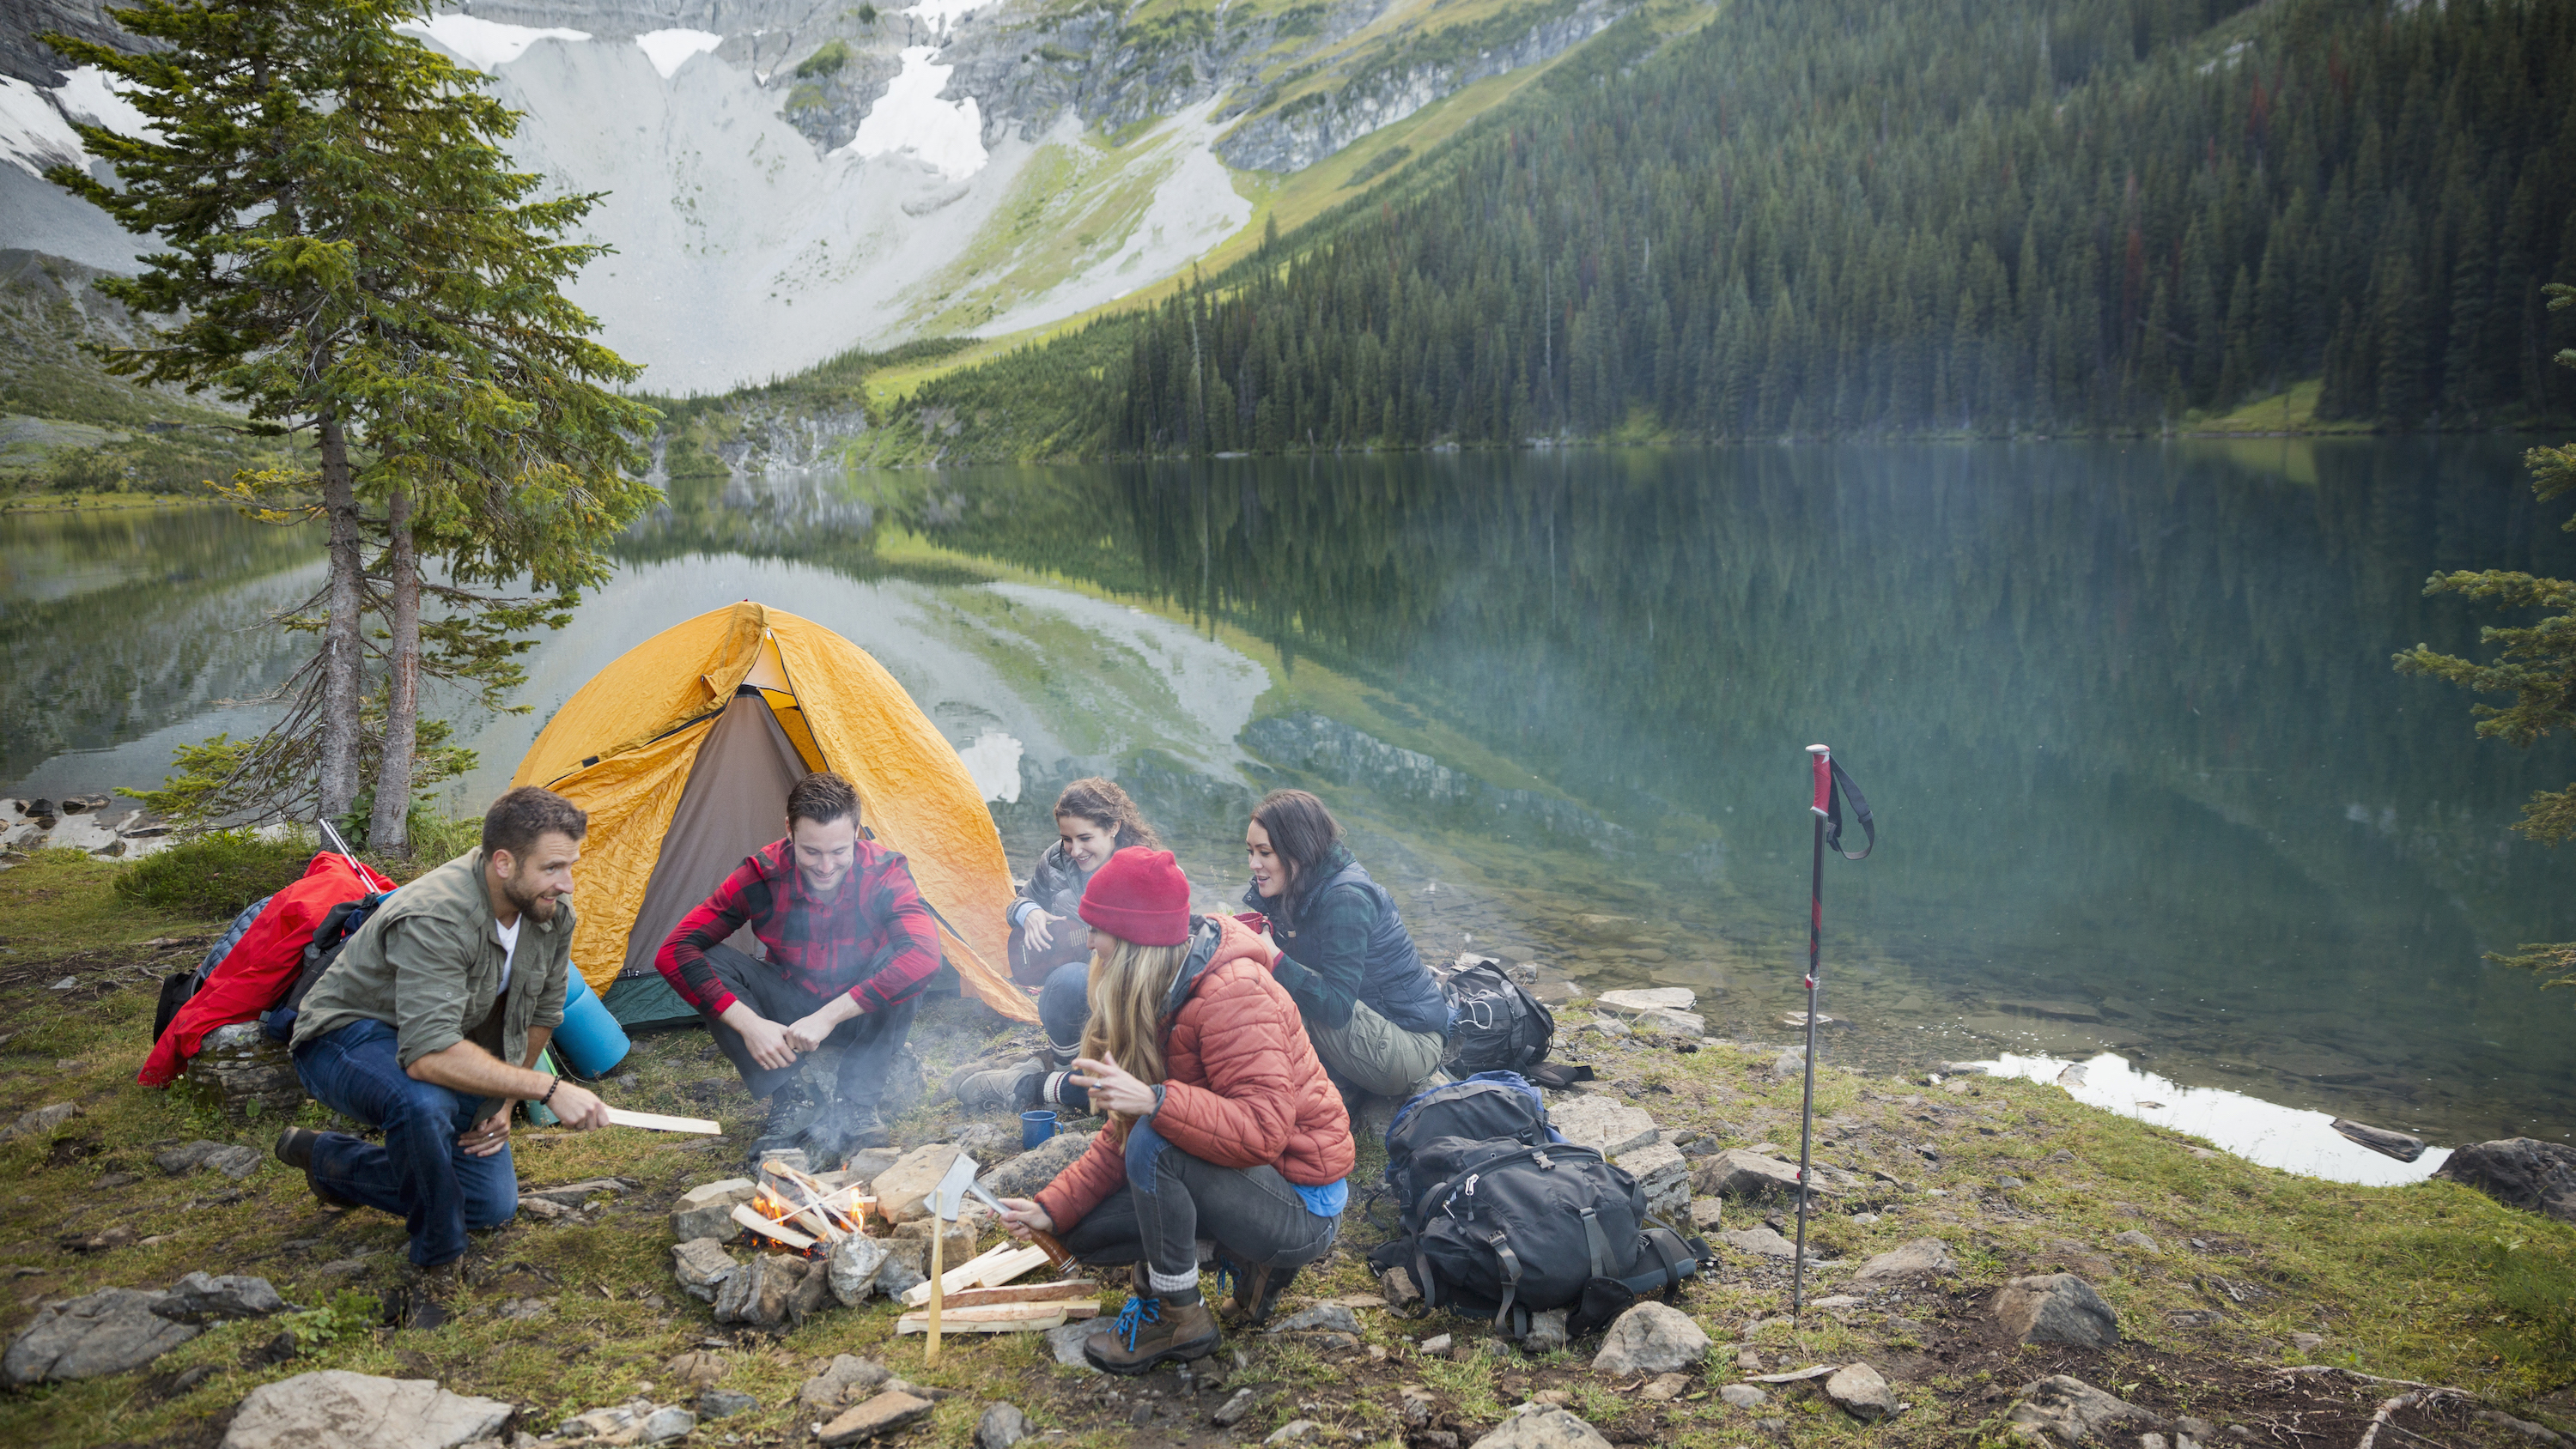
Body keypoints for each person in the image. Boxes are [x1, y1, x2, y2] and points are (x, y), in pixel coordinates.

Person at [993, 846, 1353, 1374]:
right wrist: (1053, 1206)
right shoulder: (1160, 989)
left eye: (1097, 931)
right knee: (1085, 1231)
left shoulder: (1233, 994)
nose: (1087, 941)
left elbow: (1263, 1132)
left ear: (1135, 938)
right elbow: (1121, 1134)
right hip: (1241, 1175)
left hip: (1300, 1201)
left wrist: (1157, 1102)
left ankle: (1180, 1317)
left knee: (1156, 1144)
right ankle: (1238, 1258)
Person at [276, 787, 613, 1315]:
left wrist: (503, 1105)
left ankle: (329, 1162)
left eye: (570, 865)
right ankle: (437, 1263)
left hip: (439, 1047)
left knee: (489, 1205)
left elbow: (543, 1015)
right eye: (553, 868)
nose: (567, 883)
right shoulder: (436, 914)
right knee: (422, 1102)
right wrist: (547, 1088)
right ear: (503, 863)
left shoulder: (550, 910)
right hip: (345, 1038)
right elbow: (427, 1056)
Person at [654, 771, 940, 1165]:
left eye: (839, 851)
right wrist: (749, 1024)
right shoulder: (760, 875)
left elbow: (925, 955)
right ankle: (793, 1094)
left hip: (860, 1014)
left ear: (858, 831)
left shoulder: (884, 871)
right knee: (705, 961)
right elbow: (674, 950)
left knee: (905, 954)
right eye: (811, 852)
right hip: (789, 1012)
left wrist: (828, 1016)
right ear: (789, 830)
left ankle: (857, 1101)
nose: (825, 866)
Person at [954, 778, 1160, 1114]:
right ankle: (1066, 1067)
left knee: (1076, 980)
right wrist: (1030, 912)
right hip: (1081, 985)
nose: (1075, 850)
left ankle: (1041, 1082)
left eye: (1085, 838)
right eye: (1067, 839)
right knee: (1067, 980)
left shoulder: (1144, 867)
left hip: (1131, 993)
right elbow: (1018, 902)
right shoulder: (1055, 860)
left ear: (1114, 827)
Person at [1242, 789, 1453, 1103]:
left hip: (1411, 1046)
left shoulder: (1346, 899)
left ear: (1297, 851)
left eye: (1265, 853)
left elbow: (1337, 1009)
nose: (1253, 864)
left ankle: (1285, 1103)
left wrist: (1271, 955)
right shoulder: (1300, 887)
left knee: (1280, 987)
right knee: (1271, 979)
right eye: (1250, 851)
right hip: (1372, 1027)